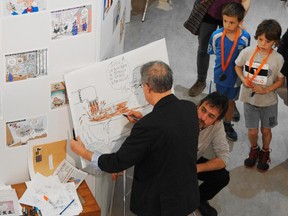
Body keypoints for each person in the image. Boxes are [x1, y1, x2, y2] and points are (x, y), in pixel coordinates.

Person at [70, 61, 200, 216]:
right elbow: (170, 132)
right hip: (186, 194)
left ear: (147, 87)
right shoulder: (189, 108)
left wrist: (84, 152)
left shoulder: (149, 126)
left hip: (161, 205)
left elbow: (117, 162)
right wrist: (144, 120)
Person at [235, 19, 285, 172]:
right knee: (252, 131)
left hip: (268, 102)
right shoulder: (247, 52)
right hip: (249, 100)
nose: (263, 43)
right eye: (260, 39)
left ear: (275, 42)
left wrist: (267, 89)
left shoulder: (278, 59)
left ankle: (265, 151)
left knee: (266, 130)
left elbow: (281, 81)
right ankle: (254, 148)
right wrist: (243, 79)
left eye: (267, 41)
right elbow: (238, 66)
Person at [188, 0, 250, 97]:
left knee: (230, 51)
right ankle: (201, 80)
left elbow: (246, 0)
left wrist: (239, 19)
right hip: (209, 12)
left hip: (231, 16)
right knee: (203, 49)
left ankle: (227, 89)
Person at [207, 2, 250, 141]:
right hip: (218, 76)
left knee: (230, 102)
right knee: (214, 101)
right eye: (225, 21)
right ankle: (212, 123)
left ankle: (227, 124)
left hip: (235, 78)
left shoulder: (245, 38)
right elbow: (213, 51)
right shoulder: (216, 36)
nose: (227, 25)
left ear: (240, 21)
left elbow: (245, 57)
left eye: (232, 22)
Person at [196, 92, 230, 216]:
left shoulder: (217, 126)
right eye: (203, 110)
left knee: (222, 177)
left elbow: (224, 157)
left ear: (217, 121)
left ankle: (198, 199)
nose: (203, 118)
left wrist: (197, 168)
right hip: (170, 161)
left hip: (192, 162)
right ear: (198, 105)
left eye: (211, 116)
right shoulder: (183, 113)